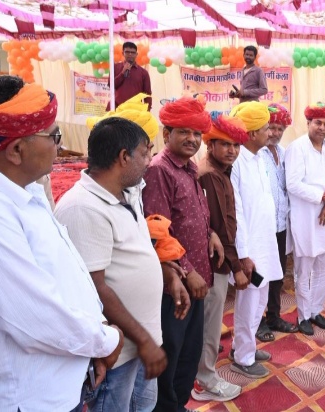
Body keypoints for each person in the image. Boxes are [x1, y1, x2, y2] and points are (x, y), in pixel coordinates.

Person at [0, 75, 124, 411]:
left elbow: (64, 276)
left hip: (66, 378)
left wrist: (94, 340)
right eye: (54, 136)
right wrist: (105, 340)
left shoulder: (28, 191)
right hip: (33, 399)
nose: (59, 146)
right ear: (16, 150)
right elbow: (35, 316)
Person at [55, 115, 166, 412]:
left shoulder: (127, 192)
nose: (149, 160)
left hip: (142, 344)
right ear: (124, 157)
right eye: (145, 152)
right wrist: (143, 339)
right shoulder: (82, 207)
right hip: (119, 353)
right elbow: (94, 288)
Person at [142, 96, 222, 412]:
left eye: (197, 133)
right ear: (166, 134)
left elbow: (190, 217)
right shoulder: (159, 170)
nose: (192, 139)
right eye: (184, 132)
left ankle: (178, 405)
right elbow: (158, 231)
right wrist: (188, 271)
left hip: (197, 280)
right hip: (176, 285)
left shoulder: (189, 168)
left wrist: (211, 233)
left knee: (189, 353)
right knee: (172, 353)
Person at [191, 113, 249, 401]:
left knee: (211, 322)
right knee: (210, 324)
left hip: (218, 261)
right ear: (210, 144)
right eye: (225, 144)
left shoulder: (220, 171)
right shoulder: (210, 174)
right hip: (214, 263)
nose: (232, 150)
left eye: (236, 145)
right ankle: (204, 381)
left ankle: (204, 373)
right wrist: (235, 267)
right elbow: (220, 228)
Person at [229, 101, 282, 378]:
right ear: (251, 134)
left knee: (259, 300)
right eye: (265, 129)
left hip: (265, 243)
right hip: (250, 249)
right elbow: (237, 212)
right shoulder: (237, 162)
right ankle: (243, 357)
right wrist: (243, 254)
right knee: (248, 304)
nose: (270, 133)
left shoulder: (259, 157)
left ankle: (244, 346)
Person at [284, 102, 325, 335]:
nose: (322, 128)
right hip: (305, 219)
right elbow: (293, 184)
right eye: (318, 123)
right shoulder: (297, 148)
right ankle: (303, 316)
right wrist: (323, 197)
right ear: (308, 123)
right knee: (304, 271)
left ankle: (315, 311)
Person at [256, 103, 299, 342]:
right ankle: (257, 321)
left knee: (277, 274)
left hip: (280, 225)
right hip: (261, 227)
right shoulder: (254, 154)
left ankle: (273, 316)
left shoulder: (283, 153)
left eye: (280, 128)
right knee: (259, 276)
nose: (275, 133)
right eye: (271, 127)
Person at [110, 42, 152, 111]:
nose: (130, 54)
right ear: (123, 53)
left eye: (132, 52)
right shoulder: (115, 68)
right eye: (127, 52)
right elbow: (111, 86)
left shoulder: (143, 72)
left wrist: (147, 110)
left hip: (135, 110)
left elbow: (147, 94)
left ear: (136, 54)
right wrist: (122, 73)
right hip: (118, 109)